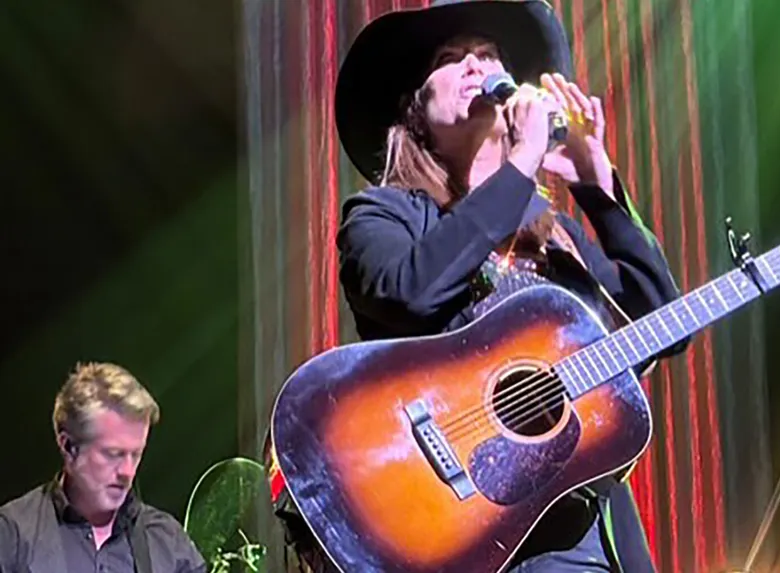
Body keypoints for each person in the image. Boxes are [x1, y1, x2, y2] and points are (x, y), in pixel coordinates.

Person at [268, 0, 690, 571]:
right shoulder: (383, 217)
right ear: (413, 109)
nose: (475, 66)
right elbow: (410, 293)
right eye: (451, 58)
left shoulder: (557, 237)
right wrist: (521, 164)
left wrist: (597, 183)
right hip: (461, 529)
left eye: (487, 55)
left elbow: (662, 328)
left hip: (586, 532)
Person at [0, 362, 206, 573]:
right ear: (69, 447)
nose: (127, 472)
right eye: (113, 454)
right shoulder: (11, 534)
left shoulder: (168, 542)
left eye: (136, 455)